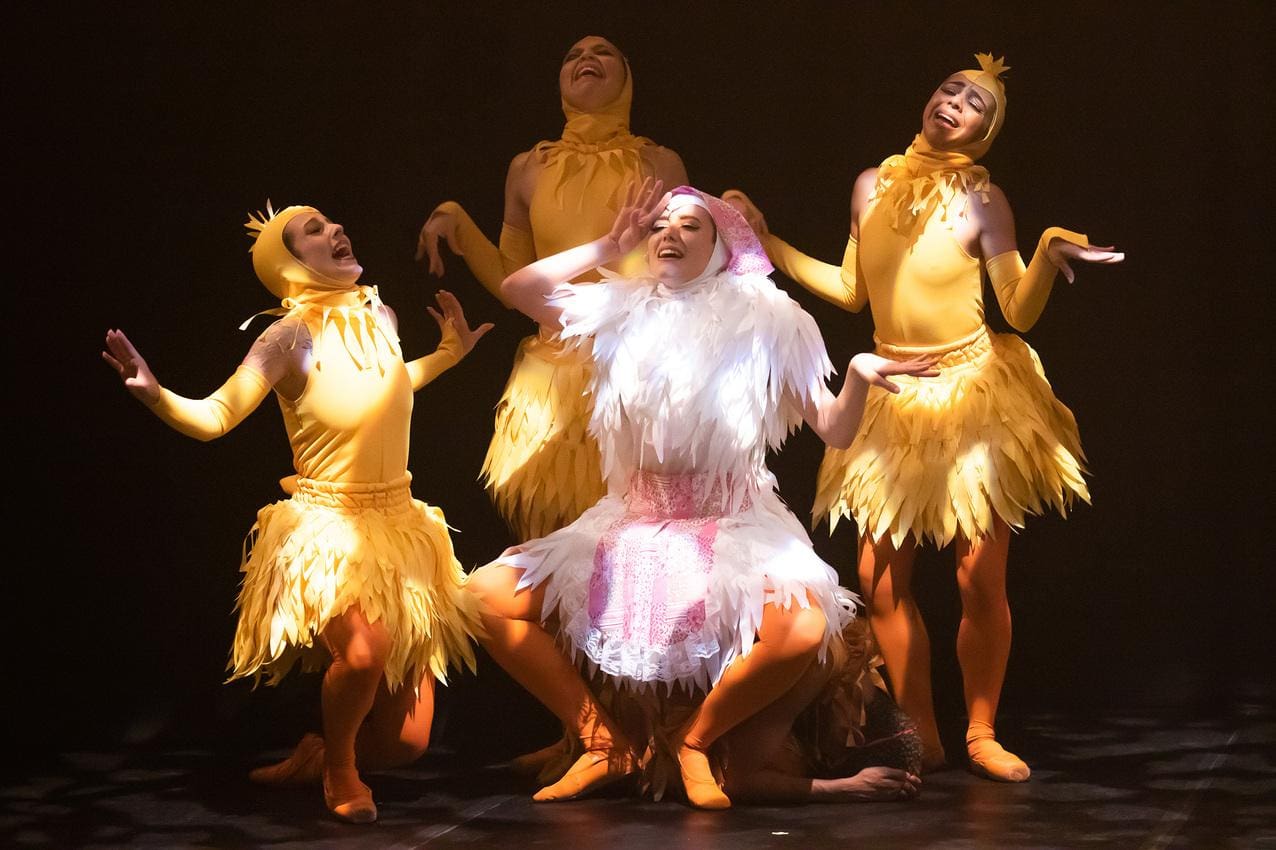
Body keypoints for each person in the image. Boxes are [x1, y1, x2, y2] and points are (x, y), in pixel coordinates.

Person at [466, 179, 936, 809]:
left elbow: (835, 428)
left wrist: (856, 376)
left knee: (801, 627)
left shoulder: (770, 318)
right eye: (661, 224)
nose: (671, 233)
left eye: (691, 225)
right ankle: (600, 740)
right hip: (632, 519)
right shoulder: (620, 306)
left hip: (731, 519)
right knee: (485, 598)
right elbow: (520, 288)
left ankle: (695, 744)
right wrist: (608, 243)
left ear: (721, 245)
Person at [723, 54, 1124, 782]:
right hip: (890, 396)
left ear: (985, 132)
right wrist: (766, 239)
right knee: (880, 582)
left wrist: (1044, 250)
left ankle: (980, 731)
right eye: (950, 89)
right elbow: (850, 291)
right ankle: (924, 736)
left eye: (975, 103)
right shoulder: (871, 185)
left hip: (971, 393)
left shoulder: (983, 200)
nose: (956, 102)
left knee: (978, 578)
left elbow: (1018, 310)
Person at [102, 203, 492, 823]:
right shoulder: (286, 337)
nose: (336, 230)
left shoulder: (380, 316)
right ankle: (339, 769)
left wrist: (449, 354)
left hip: (401, 526)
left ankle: (322, 753)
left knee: (405, 746)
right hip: (329, 529)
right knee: (363, 654)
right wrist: (156, 395)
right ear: (289, 264)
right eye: (314, 231)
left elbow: (383, 390)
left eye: (334, 222)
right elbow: (217, 416)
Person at [416, 35, 688, 542]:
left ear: (627, 78)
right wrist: (458, 222)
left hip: (631, 372)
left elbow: (686, 269)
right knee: (547, 548)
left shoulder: (660, 164)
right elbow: (509, 281)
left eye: (602, 52)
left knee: (629, 548)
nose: (586, 59)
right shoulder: (527, 168)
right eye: (572, 55)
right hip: (550, 376)